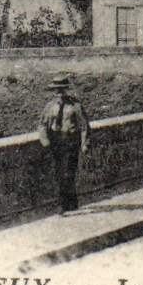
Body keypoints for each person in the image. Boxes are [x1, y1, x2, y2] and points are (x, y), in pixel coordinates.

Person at [38, 74, 90, 214]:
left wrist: (85, 144)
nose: (58, 92)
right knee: (59, 172)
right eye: (56, 90)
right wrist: (45, 141)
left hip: (70, 140)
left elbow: (84, 126)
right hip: (55, 141)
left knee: (67, 172)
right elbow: (42, 125)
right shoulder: (50, 106)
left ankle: (64, 204)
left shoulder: (75, 106)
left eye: (61, 89)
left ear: (66, 89)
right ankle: (71, 202)